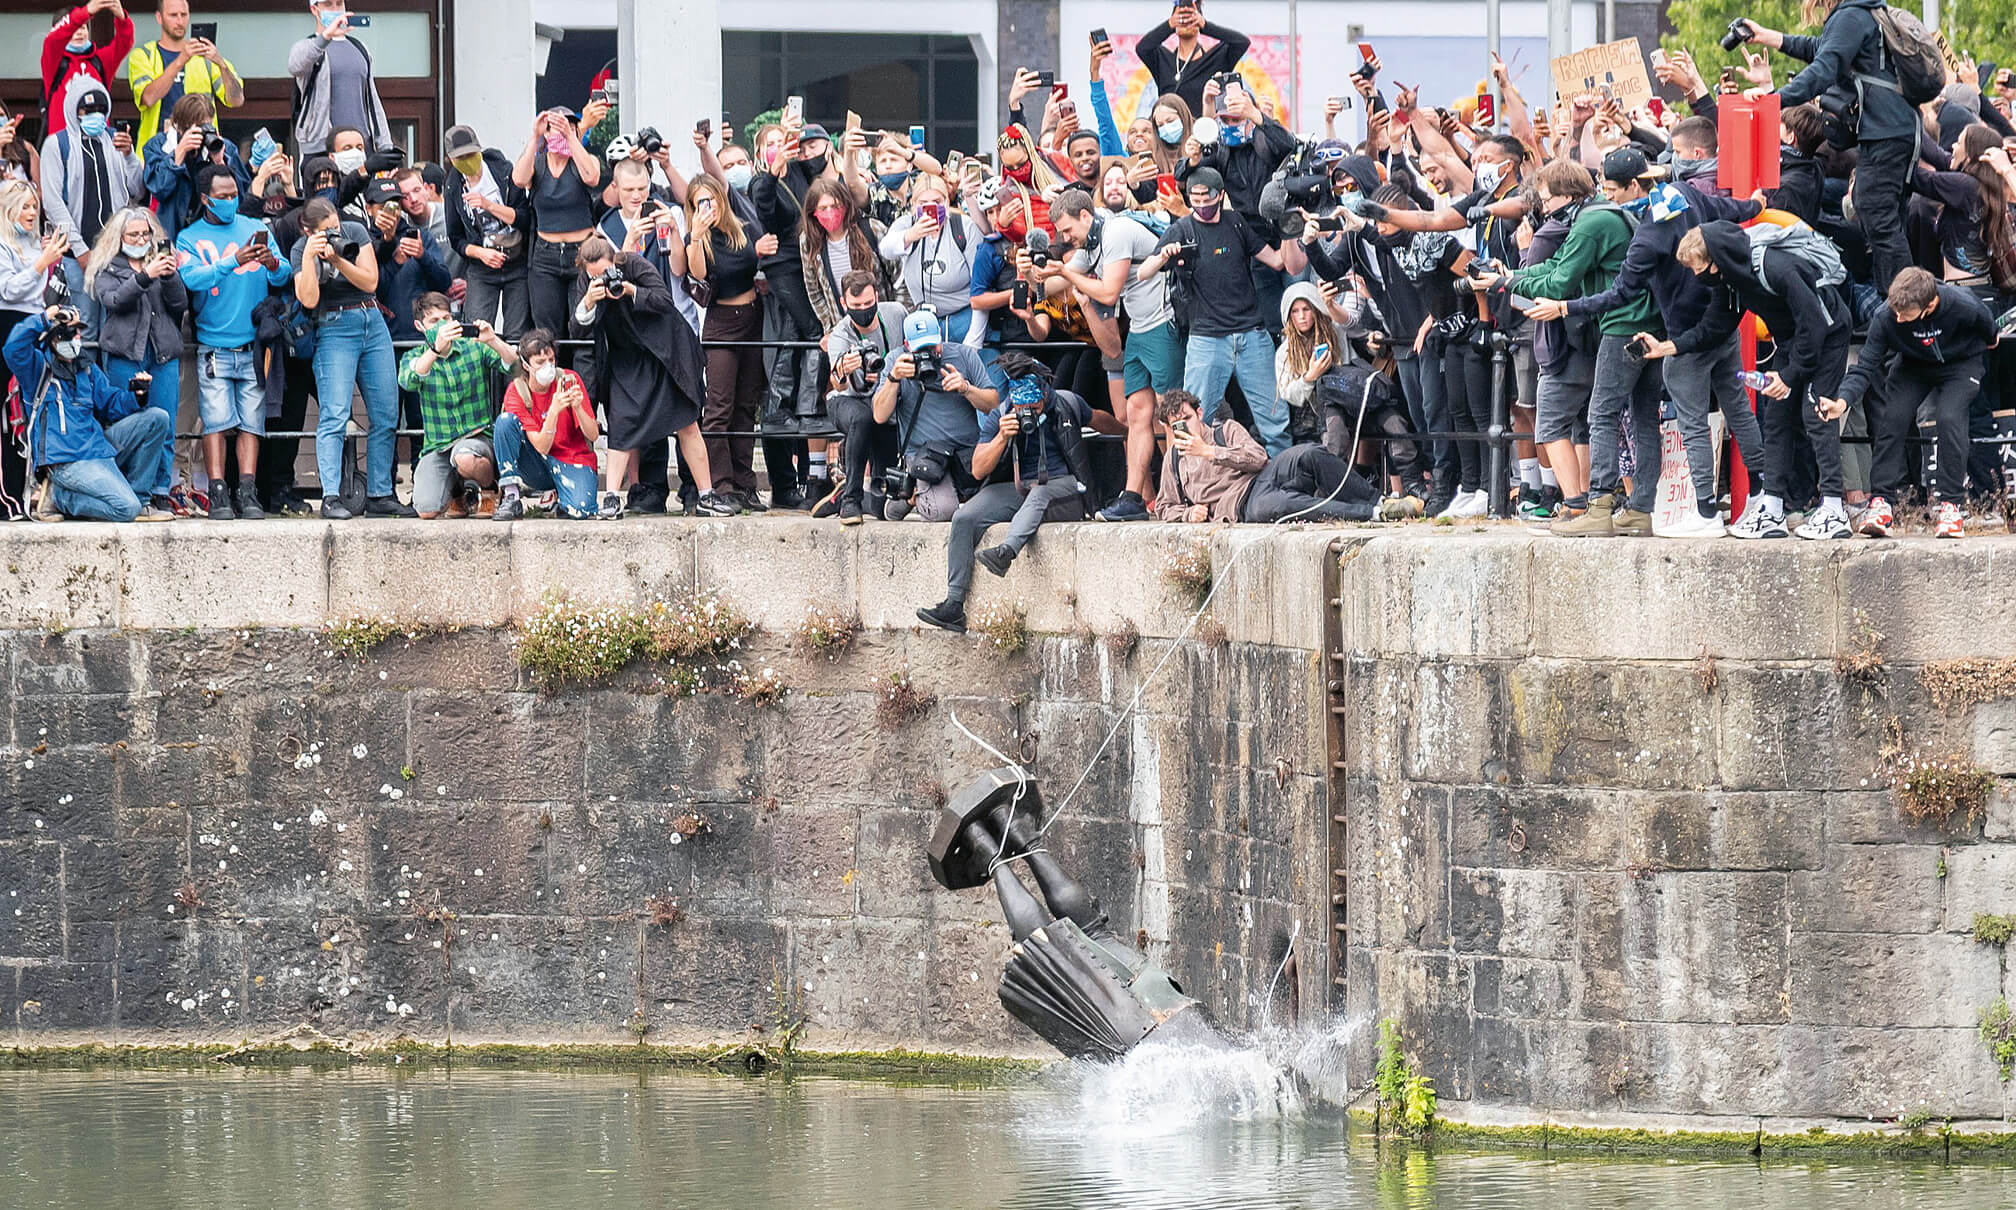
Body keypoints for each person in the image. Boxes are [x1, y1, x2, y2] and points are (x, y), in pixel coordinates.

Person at [1550, 146, 1779, 540]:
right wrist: (1754, 204)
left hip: (1685, 337)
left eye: (1612, 189)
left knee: (1688, 422)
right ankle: (1762, 495)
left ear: (1635, 185)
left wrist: (1567, 307)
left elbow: (1620, 293)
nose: (1607, 197)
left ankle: (1704, 511)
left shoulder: (1649, 233)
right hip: (1722, 321)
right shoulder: (1684, 192)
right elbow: (1725, 210)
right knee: (1737, 409)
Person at [1643, 221, 1854, 540]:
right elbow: (1715, 326)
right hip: (1790, 340)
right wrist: (1667, 347)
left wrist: (1790, 375)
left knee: (1817, 413)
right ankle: (1772, 507)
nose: (1697, 276)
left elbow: (1814, 324)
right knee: (1777, 419)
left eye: (1698, 268)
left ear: (1716, 260)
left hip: (1828, 334)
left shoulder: (1774, 267)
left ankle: (1834, 509)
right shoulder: (1731, 279)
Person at [1739, 2, 1916, 293]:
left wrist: (1775, 100)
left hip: (1885, 132)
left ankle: (1904, 308)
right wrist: (1767, 36)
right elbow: (1819, 48)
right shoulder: (1859, 13)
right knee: (1882, 220)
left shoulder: (1851, 15)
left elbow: (1823, 69)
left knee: (1880, 222)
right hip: (1890, 130)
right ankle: (1901, 307)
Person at [916, 352, 1088, 633]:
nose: (1028, 410)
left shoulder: (1066, 403)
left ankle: (1006, 552)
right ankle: (954, 605)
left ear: (1044, 393)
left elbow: (1104, 421)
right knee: (964, 517)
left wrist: (1126, 430)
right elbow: (978, 470)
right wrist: (1002, 437)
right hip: (1022, 487)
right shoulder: (1001, 413)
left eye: (1033, 403)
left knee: (1040, 494)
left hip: (1064, 488)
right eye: (1022, 405)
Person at [569, 234, 736, 518]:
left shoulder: (636, 264)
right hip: (626, 360)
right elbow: (577, 329)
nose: (600, 279)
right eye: (593, 275)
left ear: (614, 260)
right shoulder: (586, 282)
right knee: (621, 426)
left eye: (604, 273)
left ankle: (707, 494)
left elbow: (664, 301)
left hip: (665, 354)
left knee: (687, 422)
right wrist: (588, 302)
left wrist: (630, 290)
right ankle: (611, 498)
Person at [1822, 268, 1996, 539]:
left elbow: (1989, 328)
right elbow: (1865, 366)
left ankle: (1950, 506)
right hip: (1913, 365)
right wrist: (1842, 401)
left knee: (1950, 417)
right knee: (1892, 417)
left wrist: (1988, 340)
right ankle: (1881, 502)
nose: (1899, 318)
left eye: (1906, 314)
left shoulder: (1961, 303)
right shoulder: (1886, 316)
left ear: (1931, 305)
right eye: (1896, 312)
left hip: (1960, 363)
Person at [1140, 167, 1297, 455]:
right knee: (1188, 422)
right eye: (1194, 198)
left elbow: (1277, 262)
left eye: (1206, 197)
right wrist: (1164, 254)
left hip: (1252, 336)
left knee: (1276, 422)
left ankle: (1286, 485)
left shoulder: (1235, 223)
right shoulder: (1182, 228)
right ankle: (1190, 489)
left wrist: (1289, 229)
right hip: (1207, 338)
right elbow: (1143, 273)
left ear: (1220, 195)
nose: (1200, 204)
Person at [1045, 189, 1180, 521]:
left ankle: (1180, 491)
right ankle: (1134, 496)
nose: (1065, 239)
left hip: (1163, 323)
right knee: (1135, 414)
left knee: (1170, 413)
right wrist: (1037, 272)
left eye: (1067, 230)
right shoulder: (1090, 241)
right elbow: (1054, 285)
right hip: (1138, 328)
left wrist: (1064, 273)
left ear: (1086, 217)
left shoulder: (1116, 232)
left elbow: (1108, 290)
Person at [178, 163, 290, 521]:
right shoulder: (188, 237)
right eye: (223, 197)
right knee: (215, 422)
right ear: (205, 199)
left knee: (251, 423)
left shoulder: (257, 227)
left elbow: (285, 272)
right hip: (213, 345)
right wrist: (233, 261)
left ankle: (247, 490)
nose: (230, 201)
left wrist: (271, 261)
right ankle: (219, 492)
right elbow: (192, 278)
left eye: (234, 195)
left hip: (254, 344)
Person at [292, 197, 411, 519]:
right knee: (334, 414)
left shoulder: (355, 230)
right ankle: (331, 496)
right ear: (309, 231)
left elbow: (370, 282)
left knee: (385, 412)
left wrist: (340, 260)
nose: (336, 233)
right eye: (327, 231)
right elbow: (308, 299)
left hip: (371, 321)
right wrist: (310, 257)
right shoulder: (300, 249)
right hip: (332, 325)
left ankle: (380, 493)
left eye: (336, 226)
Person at [7, 302, 172, 522]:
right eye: (70, 332)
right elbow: (12, 347)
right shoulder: (37, 368)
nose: (76, 338)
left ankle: (141, 501)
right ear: (54, 337)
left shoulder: (86, 367)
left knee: (157, 418)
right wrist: (45, 318)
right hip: (65, 461)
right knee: (125, 508)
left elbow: (111, 404)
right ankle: (59, 498)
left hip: (97, 449)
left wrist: (137, 396)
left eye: (78, 332)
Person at [87, 206, 188, 512]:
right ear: (119, 238)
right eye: (133, 234)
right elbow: (115, 301)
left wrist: (169, 277)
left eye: (145, 233)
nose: (141, 238)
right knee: (128, 421)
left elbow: (180, 304)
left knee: (166, 422)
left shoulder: (160, 263)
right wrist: (146, 275)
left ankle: (160, 489)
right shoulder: (107, 269)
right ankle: (128, 488)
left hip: (163, 353)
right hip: (126, 355)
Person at [1152, 388, 1379, 522]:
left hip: (1263, 475)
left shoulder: (1226, 430)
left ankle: (1378, 499)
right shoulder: (1174, 459)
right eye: (1177, 424)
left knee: (1309, 452)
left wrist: (1210, 451)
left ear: (1199, 413)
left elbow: (1258, 458)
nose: (1185, 427)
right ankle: (1370, 513)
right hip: (1240, 504)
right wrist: (1188, 514)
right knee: (1282, 505)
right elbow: (1164, 506)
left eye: (1188, 418)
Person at [686, 173, 774, 511]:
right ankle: (720, 485)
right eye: (699, 203)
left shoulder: (740, 226)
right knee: (718, 408)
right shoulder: (699, 237)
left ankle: (745, 483)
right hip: (722, 323)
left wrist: (759, 249)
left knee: (746, 405)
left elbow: (756, 260)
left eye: (711, 199)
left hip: (752, 315)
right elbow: (696, 275)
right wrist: (696, 234)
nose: (708, 208)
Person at [871, 308, 999, 524]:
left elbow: (993, 403)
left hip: (965, 450)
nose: (929, 354)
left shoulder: (963, 355)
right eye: (921, 349)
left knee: (990, 509)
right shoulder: (896, 360)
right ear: (907, 345)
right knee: (942, 512)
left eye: (933, 346)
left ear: (941, 338)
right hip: (924, 454)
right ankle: (910, 498)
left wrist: (966, 388)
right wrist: (894, 379)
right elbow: (880, 416)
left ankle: (923, 493)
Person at [398, 291, 519, 518]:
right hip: (439, 446)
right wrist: (435, 350)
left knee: (464, 457)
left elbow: (514, 366)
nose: (443, 325)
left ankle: (490, 488)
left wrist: (492, 340)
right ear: (420, 326)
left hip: (476, 438)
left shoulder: (472, 347)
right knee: (425, 509)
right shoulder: (415, 356)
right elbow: (408, 380)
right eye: (434, 321)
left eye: (446, 319)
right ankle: (457, 493)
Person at [42, 77, 143, 315]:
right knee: (83, 328)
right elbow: (53, 202)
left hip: (118, 254)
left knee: (116, 323)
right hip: (77, 256)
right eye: (87, 110)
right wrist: (79, 250)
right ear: (73, 110)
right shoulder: (57, 144)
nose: (95, 115)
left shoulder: (115, 140)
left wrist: (129, 156)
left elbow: (138, 190)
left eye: (100, 109)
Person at [819, 269, 908, 524]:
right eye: (856, 305)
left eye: (869, 304)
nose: (864, 310)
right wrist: (846, 369)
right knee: (862, 418)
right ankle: (851, 501)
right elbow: (836, 382)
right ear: (844, 303)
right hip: (847, 401)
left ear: (877, 297)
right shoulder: (840, 334)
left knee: (881, 508)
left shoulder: (896, 313)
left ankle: (845, 494)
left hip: (884, 400)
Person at [0, 183, 66, 516]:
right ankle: (6, 498)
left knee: (31, 411)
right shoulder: (2, 245)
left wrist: (48, 262)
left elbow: (40, 293)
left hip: (36, 326)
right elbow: (9, 290)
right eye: (25, 206)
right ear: (9, 207)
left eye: (34, 207)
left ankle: (25, 494)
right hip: (8, 327)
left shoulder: (33, 244)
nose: (31, 213)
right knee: (8, 414)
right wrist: (41, 264)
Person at [515, 104, 604, 339]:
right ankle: (553, 373)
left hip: (582, 251)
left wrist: (572, 137)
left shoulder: (583, 160)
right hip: (546, 254)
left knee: (583, 323)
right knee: (547, 328)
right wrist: (535, 137)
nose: (562, 133)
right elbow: (519, 179)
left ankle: (584, 375)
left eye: (569, 127)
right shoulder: (538, 163)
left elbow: (592, 177)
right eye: (556, 128)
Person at [493, 329, 599, 521]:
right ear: (526, 365)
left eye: (551, 360)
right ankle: (511, 495)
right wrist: (554, 411)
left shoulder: (569, 379)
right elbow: (542, 446)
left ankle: (560, 497)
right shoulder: (517, 391)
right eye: (540, 362)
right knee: (504, 422)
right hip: (538, 461)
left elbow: (593, 435)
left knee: (581, 510)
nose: (547, 367)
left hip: (572, 458)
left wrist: (578, 408)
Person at [443, 123, 531, 341]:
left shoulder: (503, 171)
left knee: (516, 334)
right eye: (461, 158)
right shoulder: (453, 185)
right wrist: (481, 253)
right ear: (452, 160)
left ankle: (514, 375)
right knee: (475, 331)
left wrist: (488, 205)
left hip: (517, 260)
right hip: (481, 267)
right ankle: (480, 375)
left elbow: (525, 217)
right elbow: (456, 238)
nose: (468, 161)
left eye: (471, 154)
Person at [127, 0, 243, 157]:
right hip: (158, 153)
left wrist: (221, 64)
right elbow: (148, 98)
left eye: (184, 15)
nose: (180, 21)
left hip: (202, 152)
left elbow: (236, 100)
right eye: (173, 15)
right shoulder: (143, 56)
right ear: (159, 18)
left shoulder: (205, 57)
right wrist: (181, 60)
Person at [289, 0, 394, 157]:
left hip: (362, 146)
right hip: (323, 147)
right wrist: (326, 37)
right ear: (315, 10)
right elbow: (296, 65)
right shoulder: (309, 47)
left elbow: (373, 100)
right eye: (328, 5)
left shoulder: (360, 48)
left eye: (339, 4)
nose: (335, 9)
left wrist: (385, 146)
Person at [140, 92, 247, 242]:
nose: (201, 134)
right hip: (171, 232)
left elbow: (240, 198)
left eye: (206, 126)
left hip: (213, 234)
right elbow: (159, 189)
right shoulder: (158, 146)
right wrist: (178, 155)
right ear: (179, 126)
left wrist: (220, 163)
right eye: (196, 128)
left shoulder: (224, 148)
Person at [1136, 0, 1251, 119]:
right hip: (1169, 129)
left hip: (1205, 131)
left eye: (1190, 18)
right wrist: (1169, 24)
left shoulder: (1216, 59)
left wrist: (1205, 26)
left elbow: (1241, 42)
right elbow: (1143, 48)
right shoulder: (1162, 60)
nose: (1185, 22)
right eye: (1181, 18)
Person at [43, 1, 135, 137]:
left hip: (97, 144)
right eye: (74, 29)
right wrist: (86, 12)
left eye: (83, 27)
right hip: (64, 147)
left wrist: (122, 18)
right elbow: (53, 40)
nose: (79, 32)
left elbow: (124, 42)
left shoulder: (99, 60)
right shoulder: (53, 61)